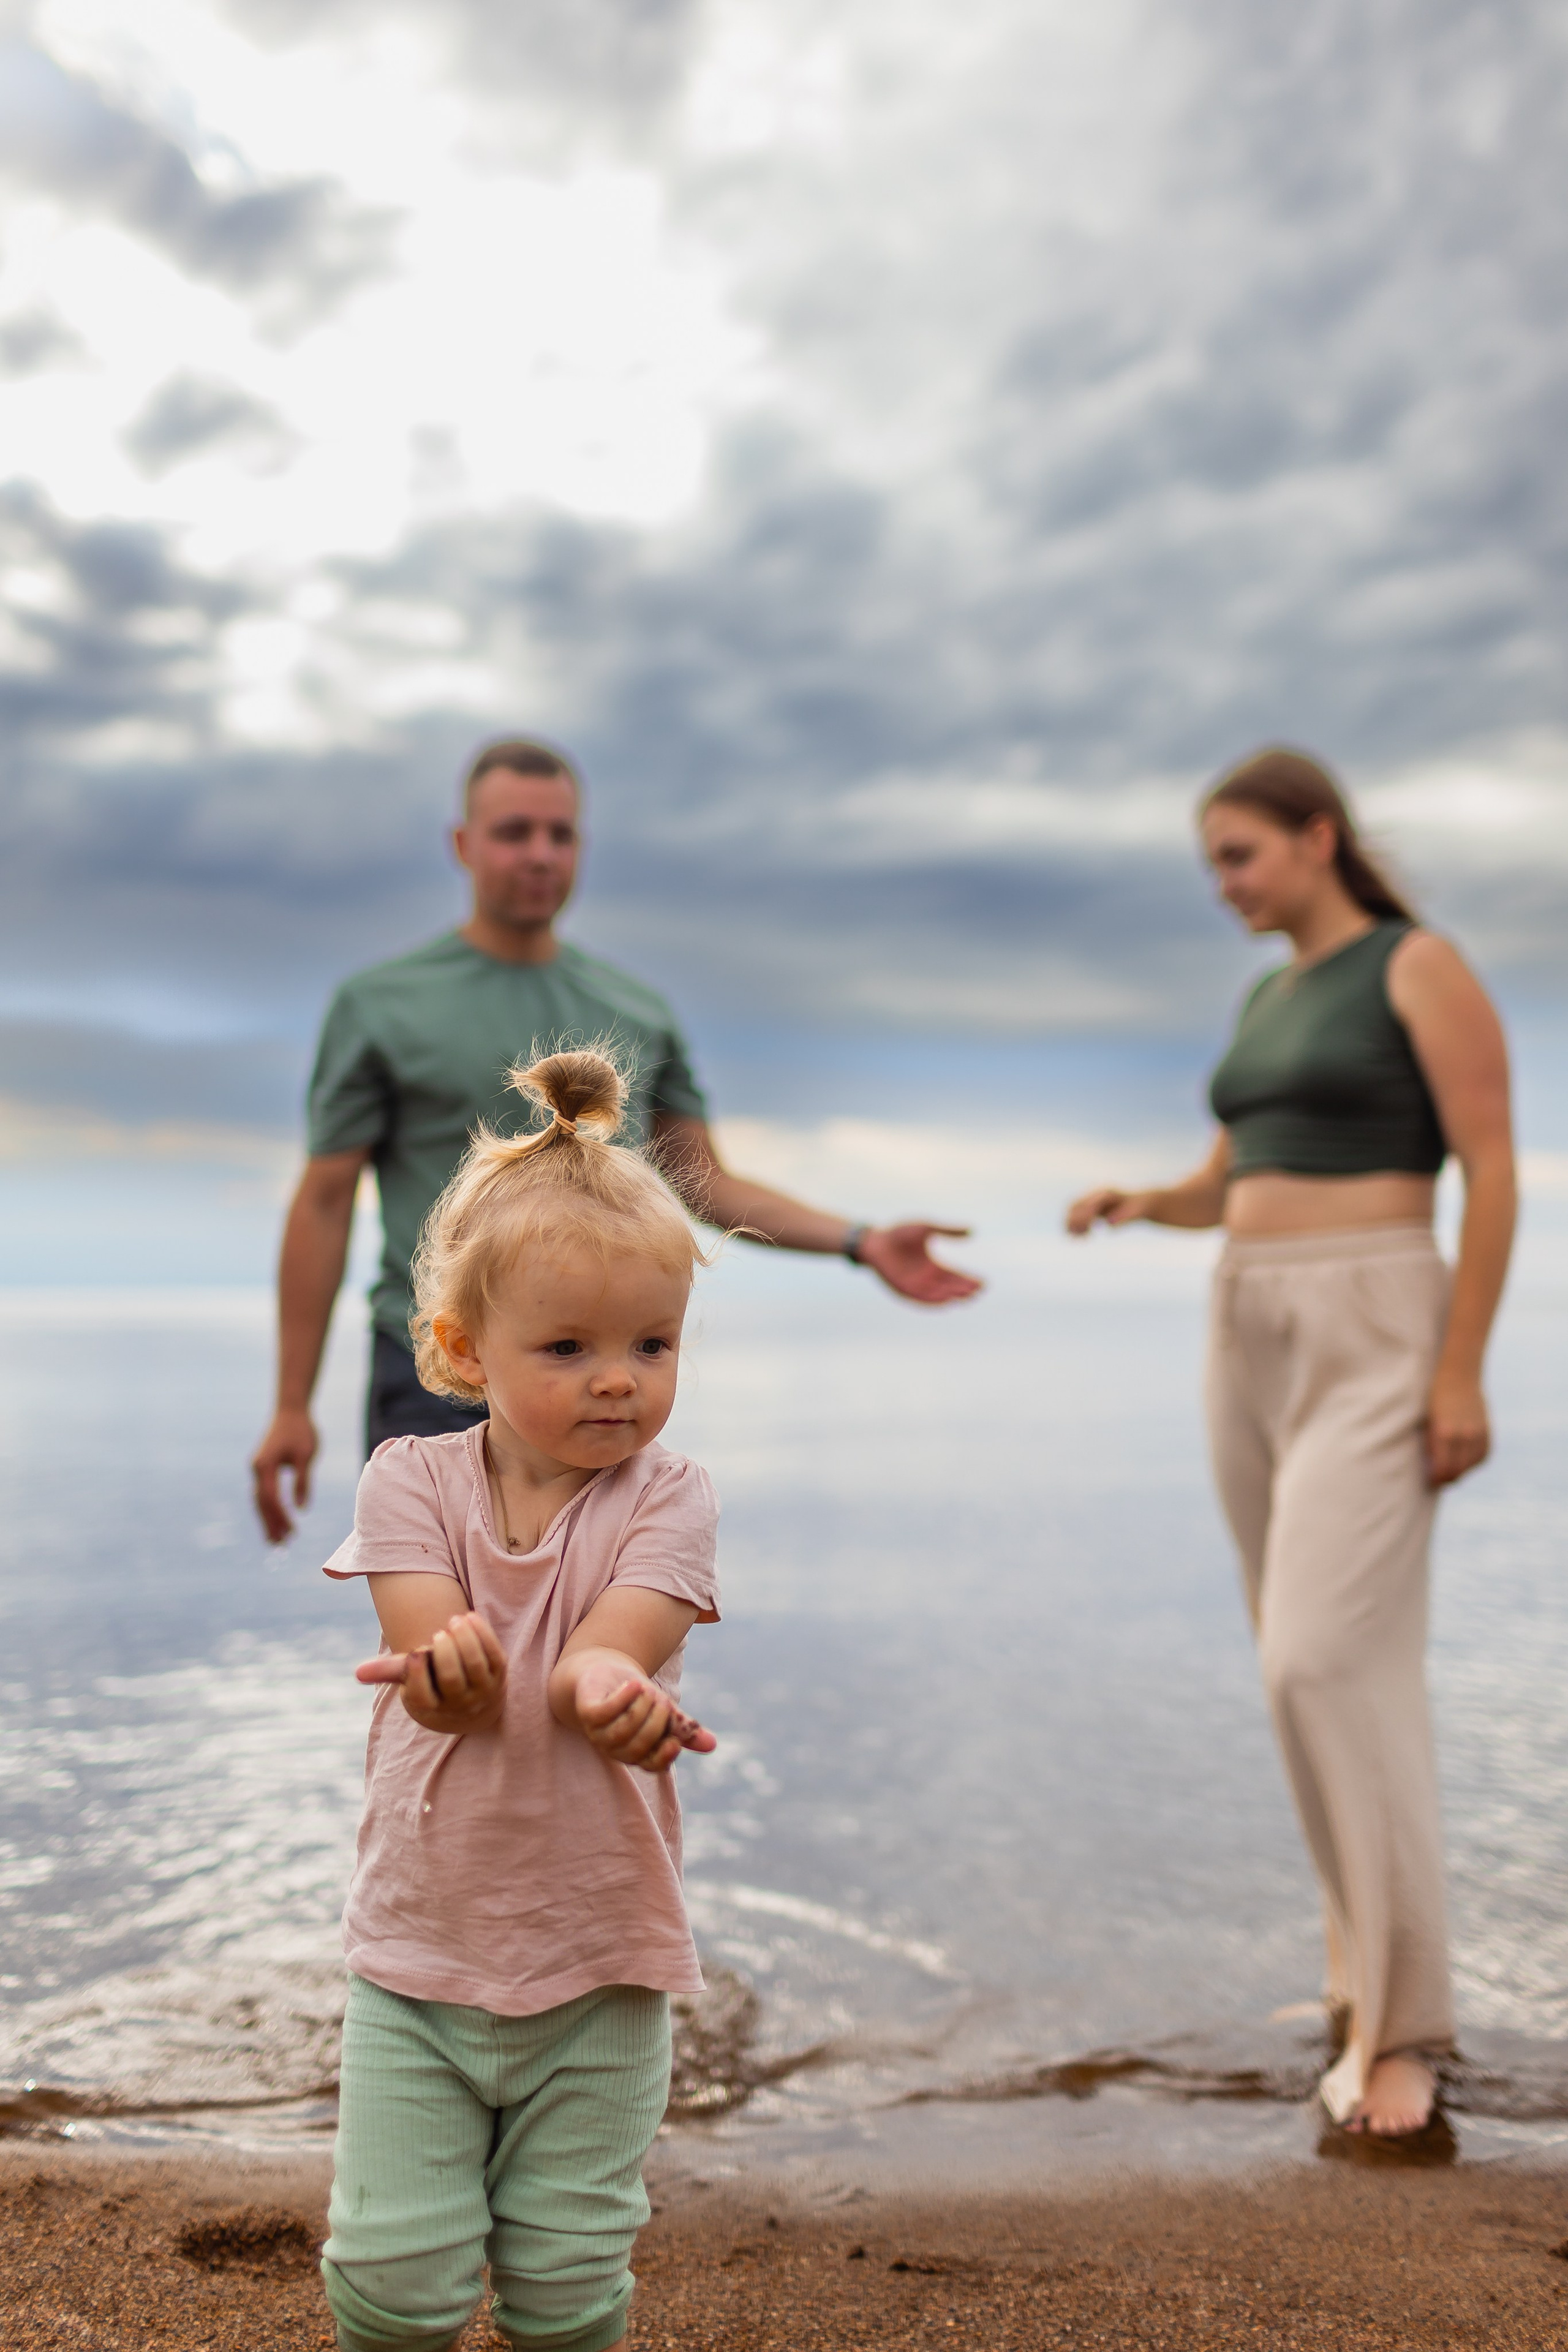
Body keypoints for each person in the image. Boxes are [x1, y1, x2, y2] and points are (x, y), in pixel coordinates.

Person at [1066, 747, 1515, 2141]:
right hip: (1244, 1331)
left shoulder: (1412, 964)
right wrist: (1147, 1201)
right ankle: (1351, 1975)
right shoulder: (1268, 994)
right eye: (1211, 862)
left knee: (1320, 1658)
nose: (1223, 885)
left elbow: (1489, 1166)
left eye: (1238, 855)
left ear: (1316, 838)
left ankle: (1404, 2036)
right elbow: (1231, 1181)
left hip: (1376, 1326)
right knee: (1293, 1667)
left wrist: (1458, 1372)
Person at [253, 736, 980, 1542]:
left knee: (594, 1633)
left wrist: (861, 1240)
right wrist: (292, 1404)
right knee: (441, 1647)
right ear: (463, 846)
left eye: (560, 835)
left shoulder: (637, 1009)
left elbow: (704, 1182)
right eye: (513, 832)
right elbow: (324, 1204)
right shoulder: (379, 1006)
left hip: (599, 1376)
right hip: (436, 1371)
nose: (539, 855)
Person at [320, 1045, 720, 2352]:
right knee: (394, 2278)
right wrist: (449, 1668)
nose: (620, 1378)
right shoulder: (407, 1483)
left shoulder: (668, 1495)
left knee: (566, 2282)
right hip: (420, 1962)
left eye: (651, 1344)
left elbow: (615, 1646)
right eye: (569, 1346)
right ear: (459, 1346)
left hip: (599, 1967)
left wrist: (614, 1694)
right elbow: (428, 1655)